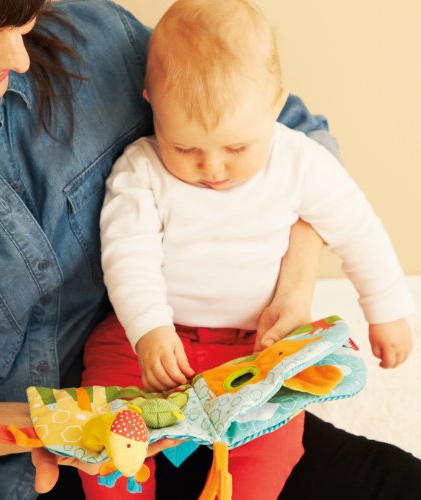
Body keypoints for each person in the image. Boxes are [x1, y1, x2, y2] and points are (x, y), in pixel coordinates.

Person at [0, 1, 417, 499]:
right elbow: (130, 256)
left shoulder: (97, 37)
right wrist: (3, 427)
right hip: (52, 433)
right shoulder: (142, 171)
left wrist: (302, 286)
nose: (20, 59)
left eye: (23, 23)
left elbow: (294, 136)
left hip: (237, 362)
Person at [80, 0, 415, 498]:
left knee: (273, 443)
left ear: (276, 107)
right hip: (148, 340)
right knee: (104, 426)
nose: (212, 168)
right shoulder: (141, 170)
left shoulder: (299, 161)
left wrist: (386, 310)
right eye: (185, 148)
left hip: (255, 346)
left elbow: (357, 229)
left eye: (237, 148)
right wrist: (149, 330)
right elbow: (129, 257)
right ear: (151, 104)